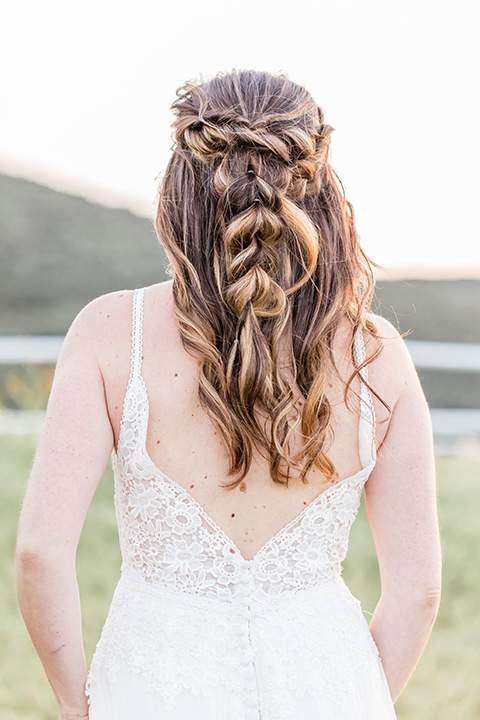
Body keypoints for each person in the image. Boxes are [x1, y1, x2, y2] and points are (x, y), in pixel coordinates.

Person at [16, 70, 442, 720]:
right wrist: (352, 692)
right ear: (319, 188)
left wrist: (80, 705)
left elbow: (40, 554)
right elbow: (418, 591)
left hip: (154, 688)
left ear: (180, 192)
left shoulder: (111, 334)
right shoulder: (376, 356)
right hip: (328, 689)